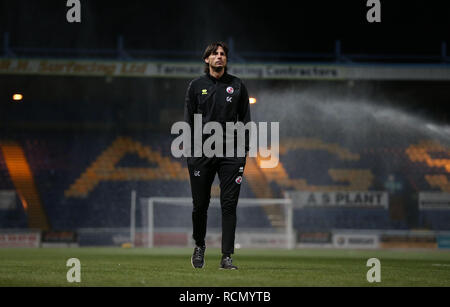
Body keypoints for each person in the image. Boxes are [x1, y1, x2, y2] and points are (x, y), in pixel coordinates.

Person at [184, 41, 251, 269]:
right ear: (207, 59)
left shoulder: (237, 85)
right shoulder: (196, 86)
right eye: (215, 54)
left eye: (222, 54)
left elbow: (245, 120)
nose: (219, 57)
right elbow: (188, 121)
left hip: (231, 153)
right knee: (200, 205)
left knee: (229, 205)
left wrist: (243, 152)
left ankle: (226, 256)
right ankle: (199, 245)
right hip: (202, 152)